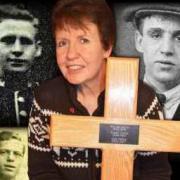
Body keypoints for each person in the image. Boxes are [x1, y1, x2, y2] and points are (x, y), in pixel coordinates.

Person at [28, 0, 171, 179]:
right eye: (62, 43)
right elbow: (41, 172)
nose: (71, 54)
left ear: (107, 47)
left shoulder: (143, 100)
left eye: (83, 40)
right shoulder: (45, 100)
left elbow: (156, 173)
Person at [124, 3, 180, 179]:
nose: (166, 50)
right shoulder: (115, 102)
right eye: (156, 35)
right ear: (139, 41)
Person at [0, 4, 42, 126]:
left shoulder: (54, 99)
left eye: (25, 42)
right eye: (8, 41)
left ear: (38, 49)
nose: (17, 49)